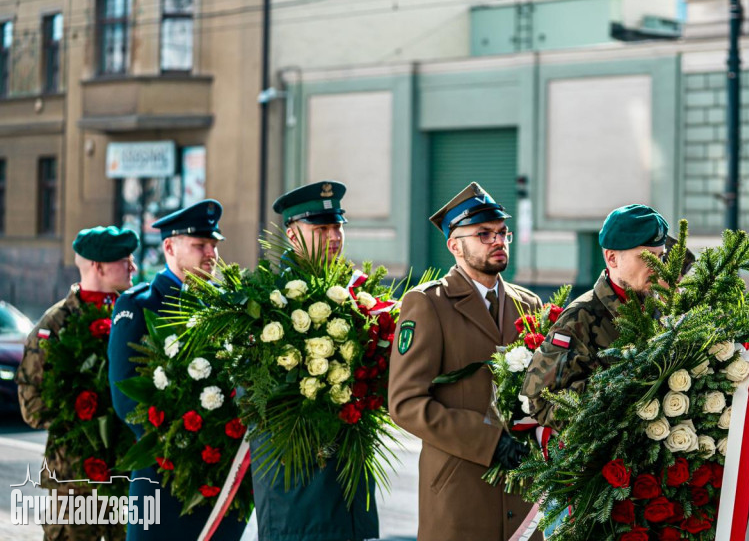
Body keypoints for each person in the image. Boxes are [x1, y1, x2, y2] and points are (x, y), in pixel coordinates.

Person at [389, 182, 543, 541]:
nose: (498, 240)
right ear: (454, 245)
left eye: (503, 232)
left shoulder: (530, 304)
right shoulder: (428, 304)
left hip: (523, 491)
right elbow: (405, 403)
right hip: (460, 491)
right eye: (484, 234)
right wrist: (489, 441)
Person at [249, 180, 379, 541]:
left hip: (348, 478)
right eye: (321, 228)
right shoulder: (269, 300)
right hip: (298, 484)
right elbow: (258, 393)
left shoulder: (351, 292)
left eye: (337, 226)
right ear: (292, 236)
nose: (334, 236)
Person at [108, 200, 244, 541]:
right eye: (200, 245)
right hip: (164, 473)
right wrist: (184, 442)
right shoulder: (139, 305)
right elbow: (127, 399)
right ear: (169, 246)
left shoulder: (226, 305)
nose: (211, 253)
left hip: (221, 473)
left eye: (213, 245)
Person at [18, 226, 138, 541]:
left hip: (128, 475)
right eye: (124, 260)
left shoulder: (134, 317)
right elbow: (32, 407)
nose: (133, 267)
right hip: (74, 483)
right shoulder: (55, 325)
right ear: (98, 267)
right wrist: (88, 411)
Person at [521, 204, 676, 430]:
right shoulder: (578, 318)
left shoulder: (662, 310)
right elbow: (541, 401)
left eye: (660, 257)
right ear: (612, 258)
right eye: (646, 257)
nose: (657, 267)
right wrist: (612, 390)